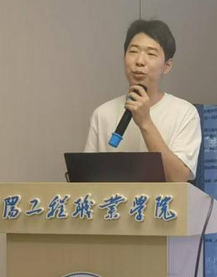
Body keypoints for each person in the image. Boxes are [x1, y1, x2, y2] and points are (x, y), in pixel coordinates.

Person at [84, 19, 201, 182]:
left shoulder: (184, 113)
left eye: (151, 54)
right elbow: (86, 180)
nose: (139, 61)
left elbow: (178, 178)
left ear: (167, 66)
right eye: (133, 51)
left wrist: (145, 122)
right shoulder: (102, 114)